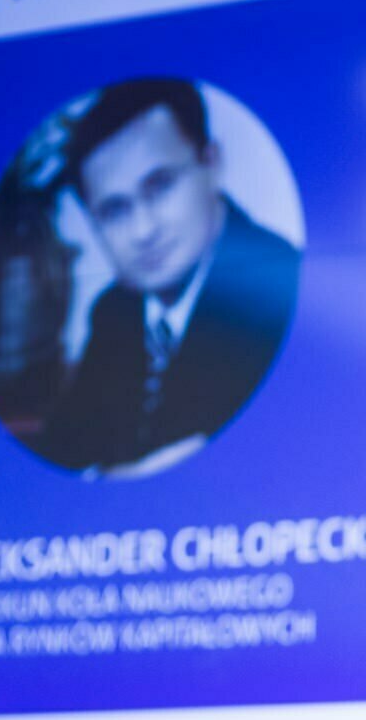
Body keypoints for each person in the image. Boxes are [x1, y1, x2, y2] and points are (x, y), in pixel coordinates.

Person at [34, 78, 299, 474]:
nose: (143, 230)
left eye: (159, 186)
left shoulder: (284, 291)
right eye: (115, 211)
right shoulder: (114, 312)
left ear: (212, 164)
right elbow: (63, 454)